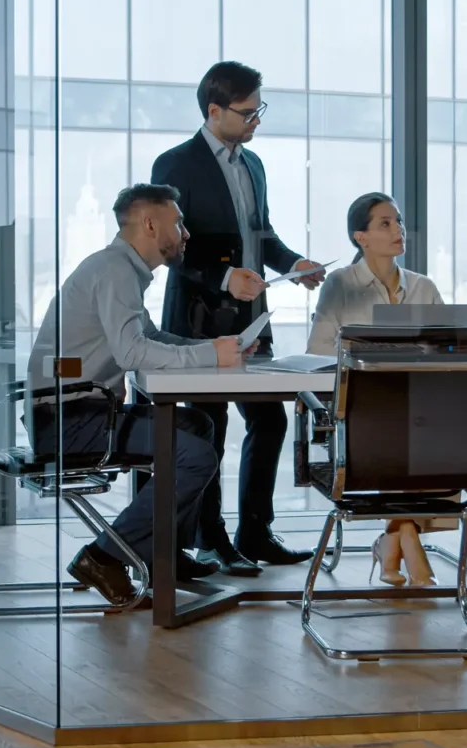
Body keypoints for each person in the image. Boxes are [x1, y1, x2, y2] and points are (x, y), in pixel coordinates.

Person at [26, 184, 246, 604]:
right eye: (178, 222)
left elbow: (149, 337)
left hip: (80, 412)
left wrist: (217, 350)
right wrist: (208, 354)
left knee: (196, 423)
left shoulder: (118, 269)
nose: (185, 233)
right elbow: (132, 352)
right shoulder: (115, 271)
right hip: (68, 422)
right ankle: (104, 556)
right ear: (149, 223)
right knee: (195, 456)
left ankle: (165, 553)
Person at [152, 61, 325, 576]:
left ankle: (256, 530)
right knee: (210, 425)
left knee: (269, 418)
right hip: (201, 317)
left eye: (258, 110)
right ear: (214, 110)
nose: (256, 121)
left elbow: (262, 234)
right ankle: (211, 540)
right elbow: (170, 247)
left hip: (253, 316)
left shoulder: (254, 166)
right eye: (248, 112)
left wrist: (293, 264)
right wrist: (225, 278)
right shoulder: (176, 164)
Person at [307, 192, 446, 586]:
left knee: (428, 430)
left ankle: (396, 536)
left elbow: (445, 353)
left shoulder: (424, 288)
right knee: (406, 434)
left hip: (418, 408)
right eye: (385, 223)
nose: (398, 230)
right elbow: (317, 352)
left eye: (398, 221)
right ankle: (406, 540)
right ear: (360, 237)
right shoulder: (340, 286)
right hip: (362, 412)